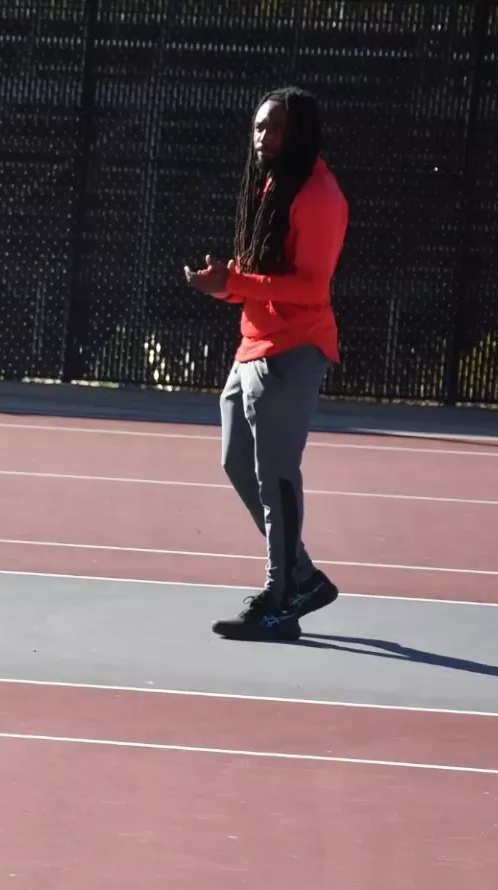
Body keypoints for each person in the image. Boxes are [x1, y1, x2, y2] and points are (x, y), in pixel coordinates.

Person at [184, 86, 348, 642]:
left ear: (299, 131)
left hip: (293, 350)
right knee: (236, 461)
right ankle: (303, 576)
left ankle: (280, 601)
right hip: (253, 343)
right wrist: (226, 287)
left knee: (276, 478)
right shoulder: (274, 185)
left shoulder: (319, 196)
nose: (263, 137)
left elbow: (310, 286)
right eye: (258, 127)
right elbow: (264, 273)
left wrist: (233, 283)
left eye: (274, 127)